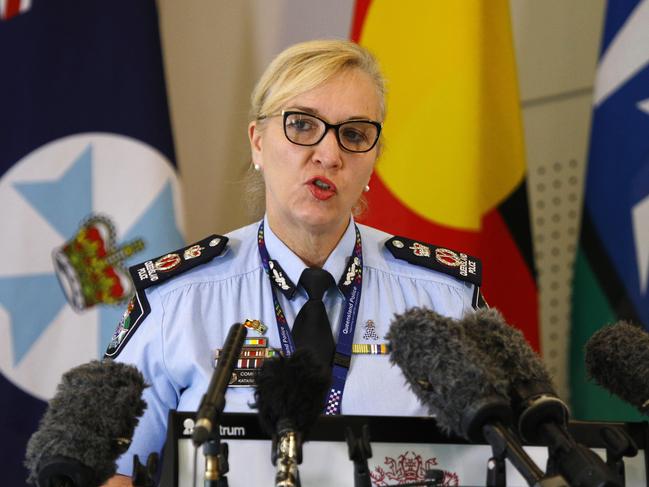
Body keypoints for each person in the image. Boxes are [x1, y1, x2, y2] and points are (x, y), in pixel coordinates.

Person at [104, 39, 483, 486]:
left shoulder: (444, 299)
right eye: (302, 125)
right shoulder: (176, 299)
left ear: (374, 161)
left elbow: (506, 459)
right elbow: (111, 472)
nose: (329, 154)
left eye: (355, 134)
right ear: (257, 143)